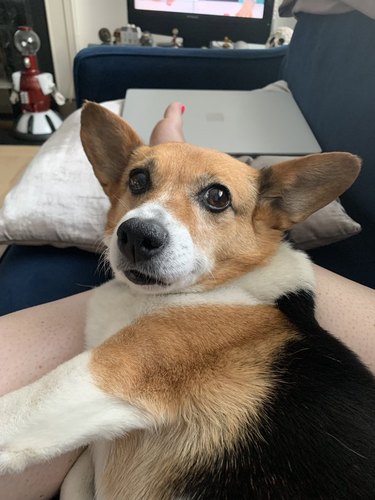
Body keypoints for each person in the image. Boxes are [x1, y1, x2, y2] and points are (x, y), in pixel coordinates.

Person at [0, 102, 374, 500]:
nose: (145, 225)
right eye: (140, 182)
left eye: (215, 198)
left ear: (273, 209)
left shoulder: (229, 323)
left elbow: (26, 427)